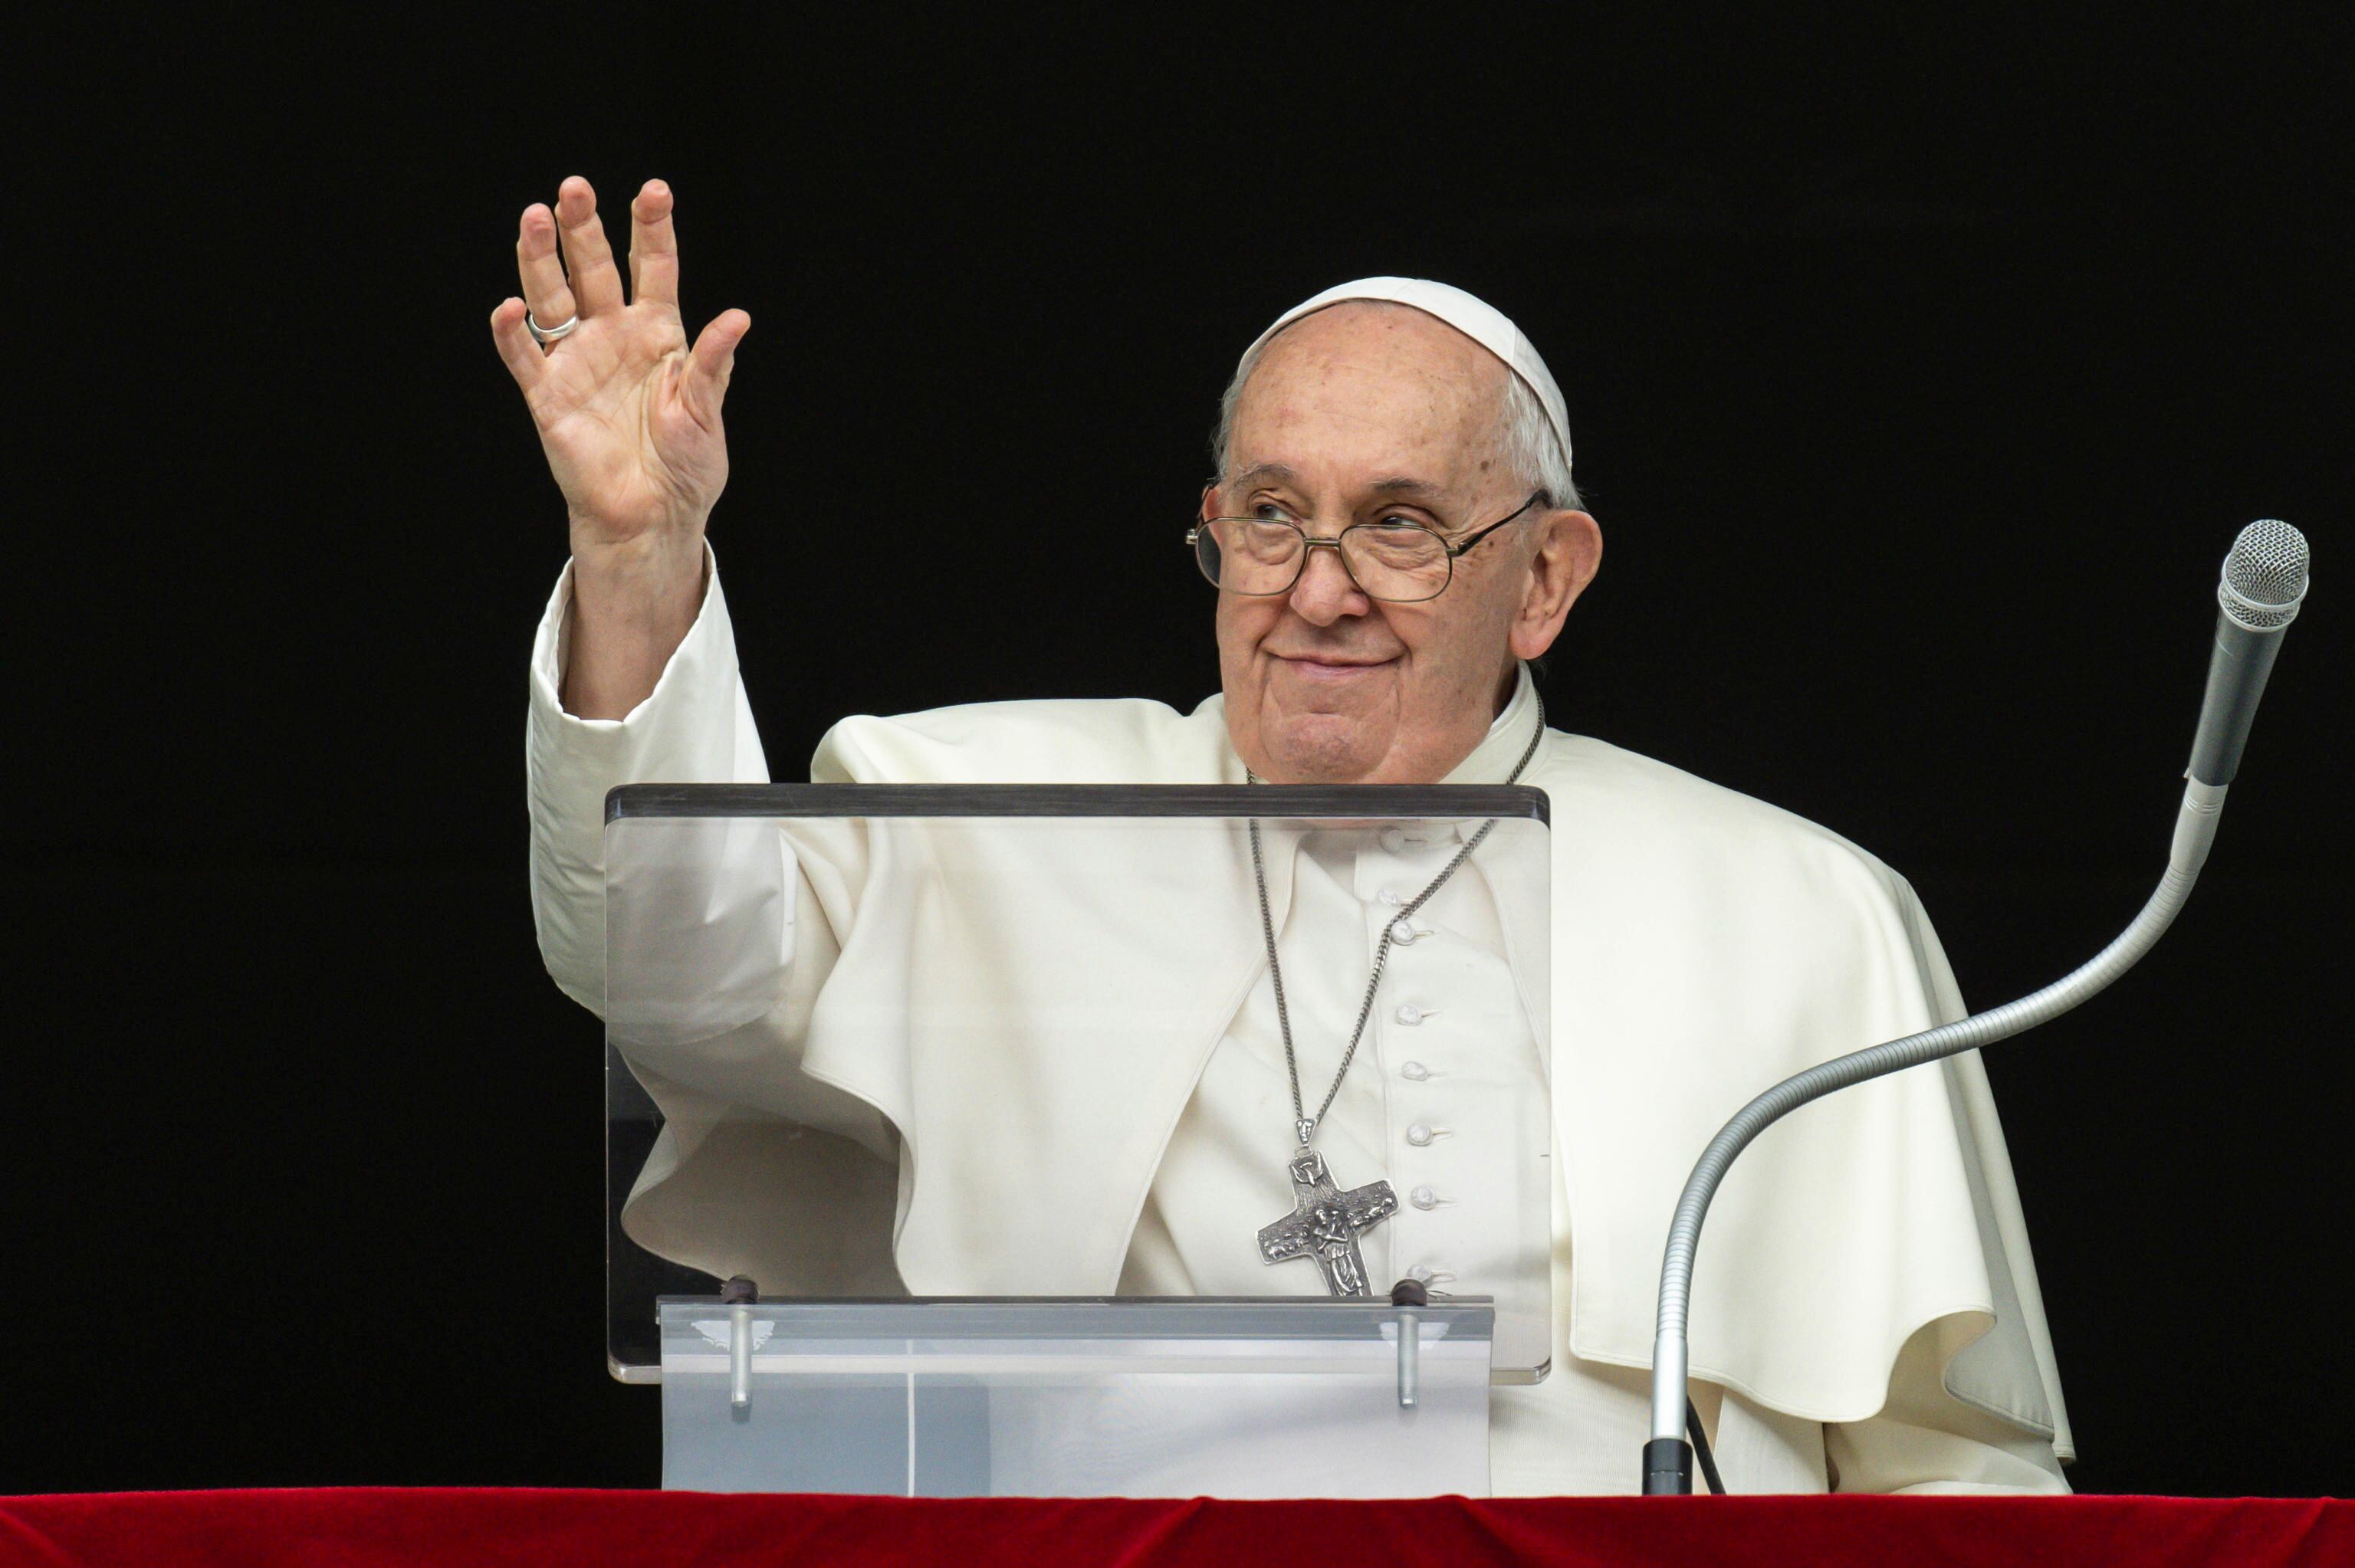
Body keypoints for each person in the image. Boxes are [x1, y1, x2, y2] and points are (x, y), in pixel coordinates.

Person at [498, 175, 2073, 1494]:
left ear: (1544, 580)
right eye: (1269, 515)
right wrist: (639, 561)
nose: (1317, 587)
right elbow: (661, 965)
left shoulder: (1794, 908)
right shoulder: (986, 814)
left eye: (1396, 523)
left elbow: (1954, 1475)